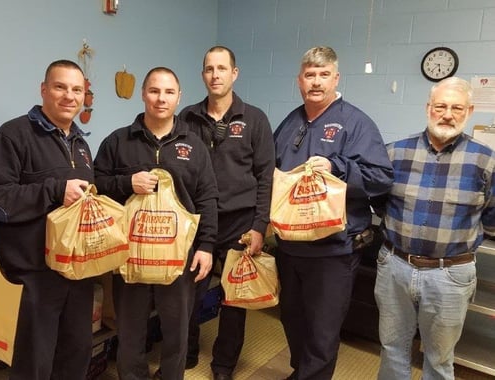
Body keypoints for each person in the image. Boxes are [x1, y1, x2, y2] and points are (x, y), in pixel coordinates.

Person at [273, 46, 393, 380]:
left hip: (333, 250)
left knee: (322, 331)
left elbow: (381, 178)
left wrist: (336, 167)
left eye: (324, 74)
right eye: (310, 75)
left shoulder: (356, 123)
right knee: (293, 320)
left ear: (336, 78)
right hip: (290, 246)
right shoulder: (290, 122)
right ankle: (301, 374)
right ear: (299, 81)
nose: (316, 82)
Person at [94, 66, 218, 380]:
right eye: (154, 91)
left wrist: (206, 246)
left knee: (176, 332)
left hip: (180, 257)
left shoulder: (195, 146)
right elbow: (96, 185)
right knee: (130, 330)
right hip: (130, 254)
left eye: (168, 92)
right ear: (143, 94)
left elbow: (207, 198)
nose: (160, 99)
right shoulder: (118, 142)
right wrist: (126, 182)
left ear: (179, 97)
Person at [0, 59, 95, 380]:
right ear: (44, 90)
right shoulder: (13, 136)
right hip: (34, 276)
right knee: (33, 364)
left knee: (77, 353)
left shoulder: (81, 144)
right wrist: (54, 191)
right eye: (60, 87)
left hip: (76, 271)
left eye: (77, 89)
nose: (69, 96)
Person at [372, 77, 494, 380]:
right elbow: (379, 202)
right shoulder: (394, 153)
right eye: (440, 106)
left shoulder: (486, 160)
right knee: (391, 347)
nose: (447, 114)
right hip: (395, 267)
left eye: (456, 107)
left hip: (450, 275)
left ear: (469, 111)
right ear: (428, 108)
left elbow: (492, 218)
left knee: (439, 358)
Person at [178, 45, 275, 380]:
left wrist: (260, 225)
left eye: (222, 68)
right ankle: (186, 354)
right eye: (209, 68)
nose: (215, 75)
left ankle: (223, 366)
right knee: (187, 295)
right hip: (197, 223)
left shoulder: (255, 119)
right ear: (202, 74)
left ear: (234, 73)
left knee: (234, 300)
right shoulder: (186, 119)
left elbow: (266, 177)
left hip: (240, 223)